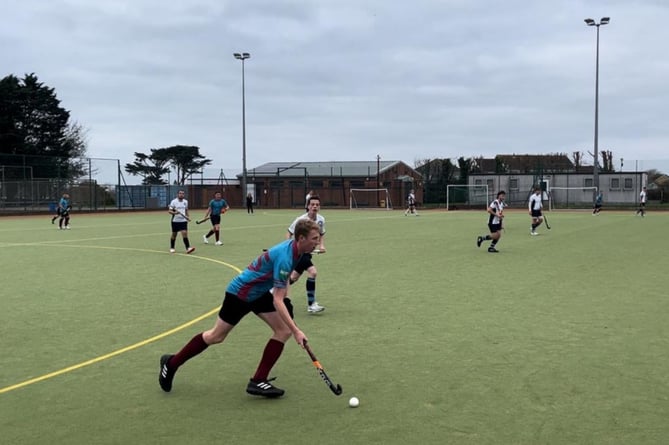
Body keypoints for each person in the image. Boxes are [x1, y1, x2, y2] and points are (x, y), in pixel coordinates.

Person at [158, 218, 322, 398]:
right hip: (240, 293)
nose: (317, 241)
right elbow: (277, 299)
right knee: (216, 336)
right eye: (314, 238)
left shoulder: (297, 252)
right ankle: (171, 363)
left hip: (258, 293)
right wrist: (297, 330)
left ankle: (258, 380)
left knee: (283, 331)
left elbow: (281, 287)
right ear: (301, 238)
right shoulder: (285, 256)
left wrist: (289, 312)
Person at [286, 195, 326, 313]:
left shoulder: (321, 220)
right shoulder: (301, 220)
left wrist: (321, 245)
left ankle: (273, 290)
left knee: (293, 277)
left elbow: (321, 233)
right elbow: (289, 232)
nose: (315, 207)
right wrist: (290, 246)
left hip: (308, 253)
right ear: (308, 206)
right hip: (300, 252)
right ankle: (311, 304)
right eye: (312, 204)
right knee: (313, 272)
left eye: (317, 205)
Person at [168, 190, 195, 254]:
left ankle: (188, 248)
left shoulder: (185, 202)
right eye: (180, 193)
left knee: (184, 233)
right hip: (175, 221)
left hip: (183, 220)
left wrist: (188, 216)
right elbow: (169, 211)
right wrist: (175, 212)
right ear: (177, 194)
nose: (181, 194)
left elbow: (186, 210)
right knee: (174, 235)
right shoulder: (173, 202)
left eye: (183, 193)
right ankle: (172, 247)